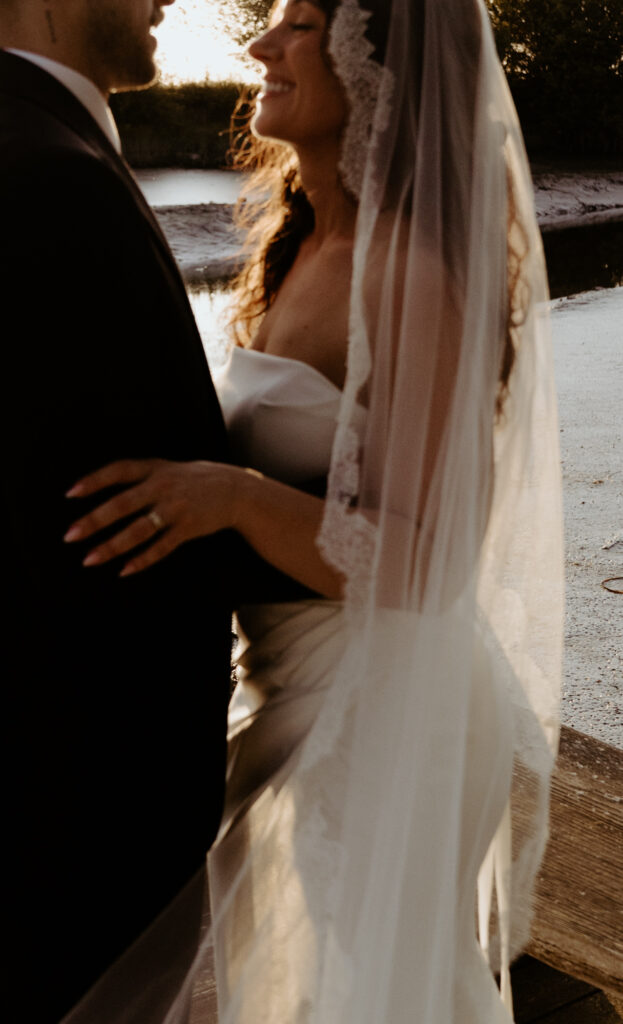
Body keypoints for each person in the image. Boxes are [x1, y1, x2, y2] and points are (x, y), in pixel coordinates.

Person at [65, 0, 564, 1020]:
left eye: (297, 25)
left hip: (381, 705)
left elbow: (431, 566)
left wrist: (235, 498)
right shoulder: (300, 246)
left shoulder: (410, 271)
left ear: (376, 70)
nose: (261, 45)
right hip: (292, 687)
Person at [0, 2, 315, 1021]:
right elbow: (95, 503)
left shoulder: (47, 146)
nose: (164, 0)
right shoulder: (46, 174)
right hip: (80, 806)